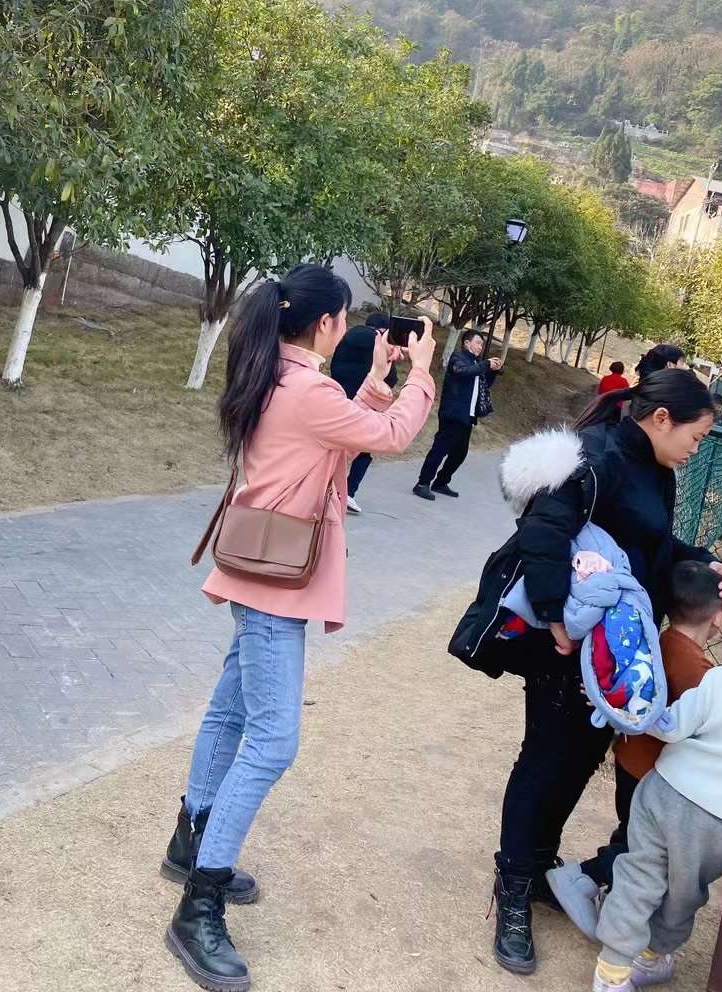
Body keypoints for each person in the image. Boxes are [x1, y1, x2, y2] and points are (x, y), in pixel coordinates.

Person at [162, 264, 437, 992]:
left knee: (229, 711)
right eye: (345, 319)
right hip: (274, 589)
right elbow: (392, 436)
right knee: (273, 740)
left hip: (256, 571)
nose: (348, 330)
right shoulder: (307, 389)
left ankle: (191, 840)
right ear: (324, 323)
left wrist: (375, 379)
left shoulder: (276, 376)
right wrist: (421, 373)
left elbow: (339, 439)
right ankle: (200, 903)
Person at [476, 370, 722, 976]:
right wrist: (554, 616)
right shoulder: (596, 458)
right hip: (569, 646)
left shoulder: (655, 469)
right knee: (546, 758)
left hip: (613, 652)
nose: (696, 449)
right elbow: (542, 532)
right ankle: (512, 885)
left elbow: (653, 547)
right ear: (662, 419)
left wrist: (703, 559)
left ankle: (538, 863)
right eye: (696, 436)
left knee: (579, 757)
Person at [592, 600, 722, 992]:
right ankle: (651, 956)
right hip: (718, 822)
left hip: (664, 793)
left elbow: (671, 728)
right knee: (683, 893)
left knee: (638, 876)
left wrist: (637, 711)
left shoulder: (720, 681)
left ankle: (611, 970)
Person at [546, 560, 722, 933]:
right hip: (653, 777)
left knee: (631, 831)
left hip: (630, 760)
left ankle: (610, 892)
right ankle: (583, 877)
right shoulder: (700, 674)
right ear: (719, 617)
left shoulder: (658, 642)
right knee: (644, 851)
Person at [412, 328, 501, 500]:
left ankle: (441, 482)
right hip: (453, 413)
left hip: (467, 416)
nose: (480, 347)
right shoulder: (458, 358)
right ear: (466, 343)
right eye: (477, 343)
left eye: (482, 344)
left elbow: (483, 384)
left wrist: (493, 371)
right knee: (440, 449)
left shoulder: (476, 363)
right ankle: (422, 483)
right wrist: (485, 365)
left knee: (460, 453)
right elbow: (463, 372)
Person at [329, 311, 398, 514]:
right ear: (383, 330)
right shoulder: (379, 345)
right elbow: (391, 377)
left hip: (339, 396)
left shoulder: (347, 337)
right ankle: (348, 492)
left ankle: (326, 486)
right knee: (364, 450)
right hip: (364, 401)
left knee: (334, 445)